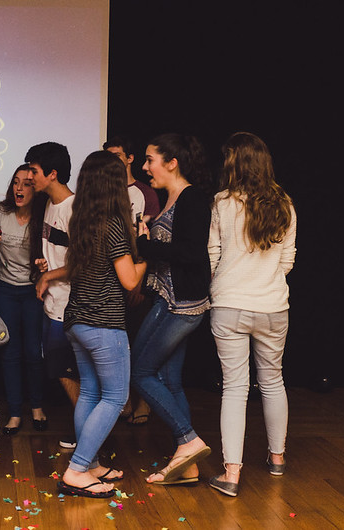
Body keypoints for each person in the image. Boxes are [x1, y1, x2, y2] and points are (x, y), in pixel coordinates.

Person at [207, 132, 296, 497]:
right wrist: (265, 280)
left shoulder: (222, 203)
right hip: (274, 306)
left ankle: (231, 474)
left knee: (235, 387)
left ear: (236, 162)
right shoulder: (285, 204)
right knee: (273, 381)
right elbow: (288, 261)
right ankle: (277, 458)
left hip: (229, 305)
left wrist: (228, 281)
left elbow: (212, 255)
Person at [57, 151, 147, 498]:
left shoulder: (82, 220)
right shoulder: (112, 224)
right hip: (103, 324)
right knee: (115, 396)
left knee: (91, 393)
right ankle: (78, 469)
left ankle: (91, 464)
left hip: (78, 321)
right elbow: (128, 280)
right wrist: (146, 253)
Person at [131, 133, 213, 485]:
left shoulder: (192, 197)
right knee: (170, 380)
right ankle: (188, 466)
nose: (145, 166)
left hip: (181, 304)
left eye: (150, 159)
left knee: (140, 372)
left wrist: (146, 247)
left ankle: (188, 440)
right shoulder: (171, 197)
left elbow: (193, 253)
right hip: (170, 299)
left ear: (172, 162)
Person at [25, 141, 80, 449]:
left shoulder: (75, 208)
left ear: (53, 173)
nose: (30, 177)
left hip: (69, 305)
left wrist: (49, 275)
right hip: (52, 302)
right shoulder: (48, 203)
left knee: (65, 369)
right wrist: (45, 264)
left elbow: (83, 263)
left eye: (34, 171)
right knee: (58, 369)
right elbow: (60, 252)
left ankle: (87, 431)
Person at [103, 136, 161, 425]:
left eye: (118, 155)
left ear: (129, 158)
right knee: (118, 345)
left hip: (136, 276)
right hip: (110, 281)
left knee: (139, 343)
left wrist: (139, 282)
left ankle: (142, 403)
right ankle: (123, 401)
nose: (113, 160)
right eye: (108, 156)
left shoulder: (145, 193)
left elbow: (147, 240)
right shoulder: (103, 192)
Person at [0, 164, 48, 435]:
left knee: (33, 351)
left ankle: (36, 407)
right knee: (9, 350)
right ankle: (14, 413)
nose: (19, 188)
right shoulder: (1, 211)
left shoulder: (44, 214)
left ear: (36, 188)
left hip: (33, 290)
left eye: (26, 183)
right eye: (16, 182)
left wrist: (46, 264)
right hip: (5, 289)